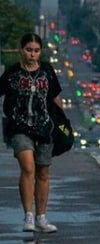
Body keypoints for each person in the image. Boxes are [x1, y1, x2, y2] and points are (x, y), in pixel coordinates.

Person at [0, 34, 64, 233]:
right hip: (19, 127)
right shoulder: (12, 74)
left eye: (36, 50)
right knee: (28, 168)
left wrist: (64, 124)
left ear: (40, 51)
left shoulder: (47, 71)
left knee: (43, 172)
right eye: (29, 50)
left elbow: (55, 97)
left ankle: (41, 218)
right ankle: (28, 216)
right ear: (21, 49)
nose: (32, 54)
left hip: (44, 127)